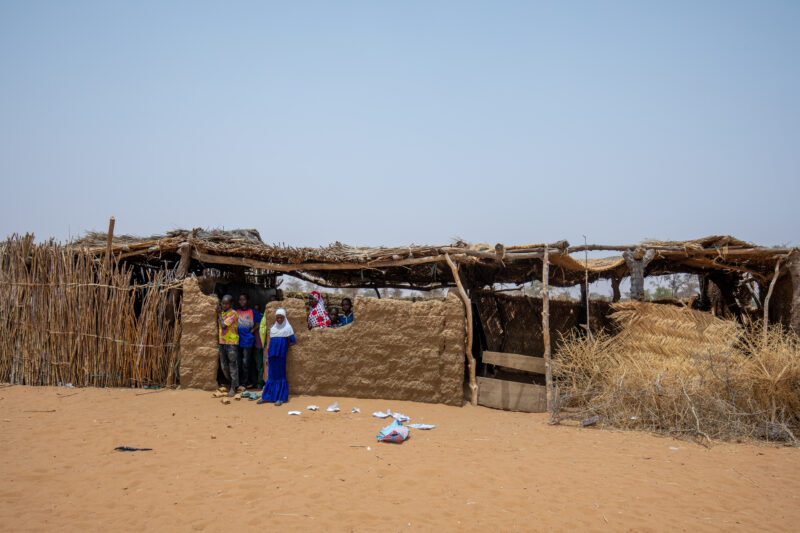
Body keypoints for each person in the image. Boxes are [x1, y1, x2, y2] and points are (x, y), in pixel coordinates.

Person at [258, 308, 296, 406]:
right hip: (272, 354)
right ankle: (266, 397)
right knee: (271, 375)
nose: (279, 319)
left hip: (281, 355)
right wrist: (267, 355)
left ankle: (280, 398)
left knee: (280, 375)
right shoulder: (273, 329)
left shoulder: (287, 328)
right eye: (277, 318)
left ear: (284, 318)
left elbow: (293, 341)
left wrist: (284, 345)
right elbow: (269, 343)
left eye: (281, 318)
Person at [235, 294, 262, 389]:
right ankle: (236, 382)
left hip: (248, 341)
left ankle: (244, 383)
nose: (242, 301)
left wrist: (252, 331)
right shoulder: (236, 312)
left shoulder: (252, 312)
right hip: (237, 341)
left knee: (246, 363)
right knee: (238, 362)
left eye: (244, 299)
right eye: (240, 300)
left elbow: (259, 323)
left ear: (247, 301)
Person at [217, 295, 239, 397]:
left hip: (231, 343)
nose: (223, 305)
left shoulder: (234, 313)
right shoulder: (222, 313)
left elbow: (224, 325)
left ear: (230, 304)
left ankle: (233, 387)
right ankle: (231, 383)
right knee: (224, 366)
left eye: (226, 303)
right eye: (223, 303)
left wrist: (219, 314)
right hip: (222, 342)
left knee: (232, 366)